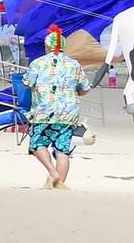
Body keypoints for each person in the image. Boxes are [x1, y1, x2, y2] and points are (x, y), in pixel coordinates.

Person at [26, 25, 91, 188]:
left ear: (47, 46)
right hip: (68, 114)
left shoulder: (38, 63)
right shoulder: (74, 64)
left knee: (37, 144)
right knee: (62, 150)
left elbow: (27, 83)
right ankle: (58, 185)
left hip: (44, 111)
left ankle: (52, 172)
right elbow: (85, 88)